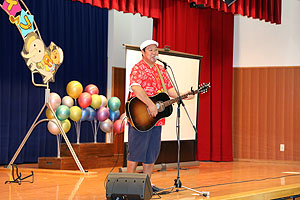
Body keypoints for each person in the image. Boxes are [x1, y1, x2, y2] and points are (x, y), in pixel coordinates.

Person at [127, 39, 194, 192]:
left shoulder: (161, 69)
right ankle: (128, 185)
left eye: (155, 50)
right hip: (140, 117)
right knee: (136, 151)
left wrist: (183, 94)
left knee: (151, 152)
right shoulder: (138, 68)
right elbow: (136, 88)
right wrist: (150, 104)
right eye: (150, 50)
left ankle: (146, 185)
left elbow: (170, 90)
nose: (154, 53)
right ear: (143, 53)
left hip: (156, 120)